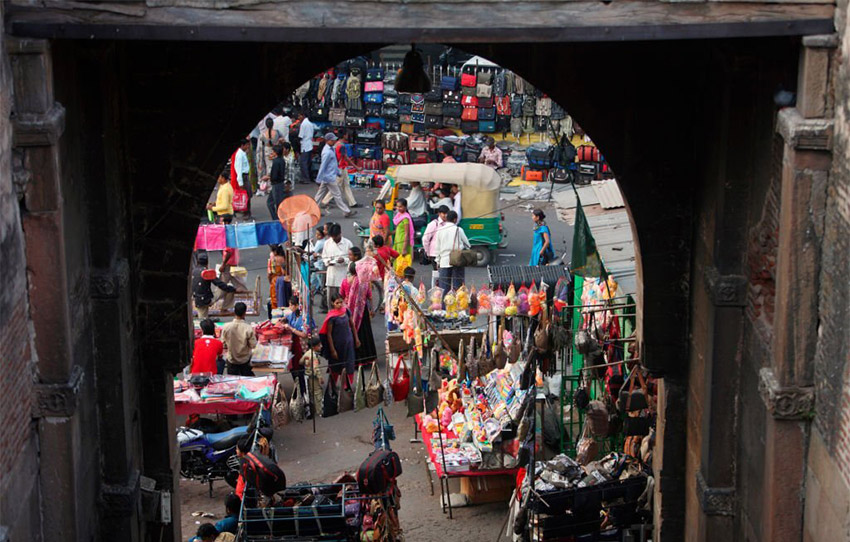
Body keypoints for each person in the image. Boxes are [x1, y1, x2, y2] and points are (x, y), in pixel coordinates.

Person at [347, 250, 379, 368]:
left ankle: (357, 361)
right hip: (363, 311)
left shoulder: (353, 282)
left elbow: (350, 299)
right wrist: (371, 309)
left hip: (355, 313)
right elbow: (369, 295)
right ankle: (368, 359)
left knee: (357, 334)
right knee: (366, 335)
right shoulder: (365, 281)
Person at [319, 292, 358, 386]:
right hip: (337, 345)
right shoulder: (331, 317)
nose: (340, 304)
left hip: (348, 343)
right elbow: (328, 334)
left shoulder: (346, 311)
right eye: (337, 303)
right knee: (336, 366)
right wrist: (333, 350)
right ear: (333, 303)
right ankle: (333, 386)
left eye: (341, 302)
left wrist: (356, 339)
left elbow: (352, 325)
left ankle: (346, 385)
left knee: (349, 364)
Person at [314, 132, 356, 217]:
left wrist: (337, 173)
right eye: (332, 140)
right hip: (329, 177)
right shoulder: (327, 152)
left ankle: (313, 211)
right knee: (337, 195)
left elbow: (333, 164)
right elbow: (323, 166)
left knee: (319, 195)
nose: (334, 141)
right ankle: (346, 211)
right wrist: (318, 179)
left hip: (327, 176)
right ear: (328, 140)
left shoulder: (330, 149)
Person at [433, 210, 470, 291]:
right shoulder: (458, 230)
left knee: (444, 288)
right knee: (458, 288)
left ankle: (445, 303)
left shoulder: (440, 230)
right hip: (457, 261)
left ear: (446, 219)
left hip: (444, 262)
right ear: (455, 219)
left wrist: (438, 261)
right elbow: (468, 245)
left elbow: (437, 248)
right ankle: (458, 303)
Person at [322, 131, 359, 209]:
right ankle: (325, 201)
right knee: (336, 186)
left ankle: (352, 202)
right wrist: (356, 167)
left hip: (341, 167)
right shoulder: (341, 146)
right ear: (344, 135)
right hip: (341, 168)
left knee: (346, 185)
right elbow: (345, 157)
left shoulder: (336, 145)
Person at [193, 253, 237, 319]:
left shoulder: (193, 271)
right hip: (207, 300)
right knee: (229, 287)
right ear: (207, 262)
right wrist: (234, 289)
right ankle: (225, 308)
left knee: (203, 318)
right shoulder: (207, 272)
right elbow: (219, 284)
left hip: (197, 300)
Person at [321, 223, 353, 306]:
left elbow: (353, 259)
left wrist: (344, 260)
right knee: (330, 300)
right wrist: (328, 261)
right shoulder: (327, 243)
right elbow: (324, 257)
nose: (334, 239)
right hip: (331, 274)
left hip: (343, 274)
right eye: (333, 237)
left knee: (342, 299)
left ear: (340, 233)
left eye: (336, 236)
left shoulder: (348, 243)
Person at [221, 302, 257, 376]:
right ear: (244, 313)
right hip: (245, 360)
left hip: (232, 360)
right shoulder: (248, 328)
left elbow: (223, 343)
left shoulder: (226, 327)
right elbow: (253, 345)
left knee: (232, 382)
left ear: (234, 312)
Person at [282, 296, 309, 395]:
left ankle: (302, 391)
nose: (290, 307)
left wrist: (291, 329)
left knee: (299, 369)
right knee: (293, 368)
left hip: (301, 347)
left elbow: (304, 334)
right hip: (293, 346)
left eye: (291, 305)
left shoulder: (303, 317)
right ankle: (298, 386)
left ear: (297, 305)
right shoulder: (292, 315)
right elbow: (286, 318)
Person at [301, 337, 326, 415]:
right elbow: (316, 368)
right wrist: (320, 378)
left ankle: (313, 409)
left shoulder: (307, 353)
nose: (321, 346)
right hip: (313, 376)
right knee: (317, 393)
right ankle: (319, 411)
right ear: (313, 347)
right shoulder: (314, 356)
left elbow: (301, 361)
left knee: (310, 393)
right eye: (319, 345)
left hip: (307, 375)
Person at [264, 144, 288, 221]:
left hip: (276, 184)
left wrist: (267, 177)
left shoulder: (276, 161)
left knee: (276, 203)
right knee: (271, 202)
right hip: (279, 184)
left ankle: (277, 219)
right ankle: (276, 218)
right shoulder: (282, 160)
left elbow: (274, 176)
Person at [391, 198, 414, 276]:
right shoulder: (399, 216)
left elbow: (407, 233)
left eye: (400, 207)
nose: (398, 208)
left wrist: (404, 248)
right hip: (397, 242)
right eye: (397, 206)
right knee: (397, 261)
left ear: (405, 207)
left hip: (403, 243)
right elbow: (398, 229)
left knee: (401, 263)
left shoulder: (405, 218)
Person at [232, 139, 252, 216]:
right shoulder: (239, 155)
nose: (248, 146)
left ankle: (247, 211)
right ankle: (246, 212)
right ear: (242, 145)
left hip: (246, 176)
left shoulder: (243, 153)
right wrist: (240, 182)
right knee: (246, 195)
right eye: (246, 145)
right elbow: (238, 169)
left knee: (248, 194)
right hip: (243, 177)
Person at [297, 112, 315, 184]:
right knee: (308, 162)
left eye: (299, 115)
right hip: (309, 144)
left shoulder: (303, 124)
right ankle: (309, 177)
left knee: (303, 162)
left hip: (305, 145)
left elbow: (300, 136)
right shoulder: (310, 124)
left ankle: (306, 178)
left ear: (303, 115)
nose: (298, 117)